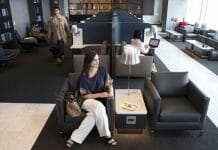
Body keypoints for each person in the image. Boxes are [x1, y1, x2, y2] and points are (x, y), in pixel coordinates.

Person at [66, 51, 117, 148]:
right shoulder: (83, 77)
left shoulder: (102, 70)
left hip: (98, 102)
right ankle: (108, 135)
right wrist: (102, 94)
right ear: (88, 62)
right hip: (85, 101)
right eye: (94, 60)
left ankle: (74, 138)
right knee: (100, 107)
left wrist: (110, 90)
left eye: (98, 59)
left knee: (93, 116)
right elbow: (85, 96)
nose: (97, 62)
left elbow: (109, 82)